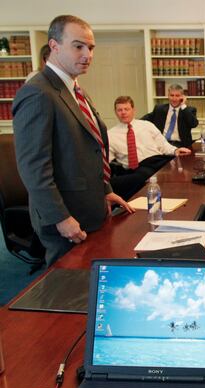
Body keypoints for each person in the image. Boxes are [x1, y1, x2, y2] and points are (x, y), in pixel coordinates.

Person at [12, 15, 133, 265]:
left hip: (90, 208)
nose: (87, 54)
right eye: (78, 46)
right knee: (68, 293)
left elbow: (88, 148)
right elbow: (34, 168)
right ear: (54, 46)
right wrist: (60, 217)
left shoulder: (76, 88)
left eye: (91, 48)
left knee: (90, 288)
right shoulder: (37, 92)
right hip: (66, 219)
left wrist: (105, 190)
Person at [108, 96, 191, 200]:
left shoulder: (147, 125)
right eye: (120, 110)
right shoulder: (110, 134)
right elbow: (107, 161)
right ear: (115, 112)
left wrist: (175, 150)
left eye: (126, 109)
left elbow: (163, 145)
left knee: (181, 169)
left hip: (158, 160)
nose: (123, 112)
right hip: (139, 168)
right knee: (145, 177)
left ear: (133, 110)